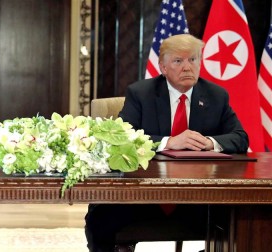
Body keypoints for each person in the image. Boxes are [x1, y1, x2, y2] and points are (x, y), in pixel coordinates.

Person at [85, 34, 249, 252]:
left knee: (245, 217)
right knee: (100, 217)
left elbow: (240, 137)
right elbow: (122, 138)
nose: (187, 67)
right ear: (163, 67)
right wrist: (169, 142)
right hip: (144, 194)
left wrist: (210, 142)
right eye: (178, 61)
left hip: (199, 198)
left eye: (193, 59)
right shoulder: (140, 93)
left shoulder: (216, 95)